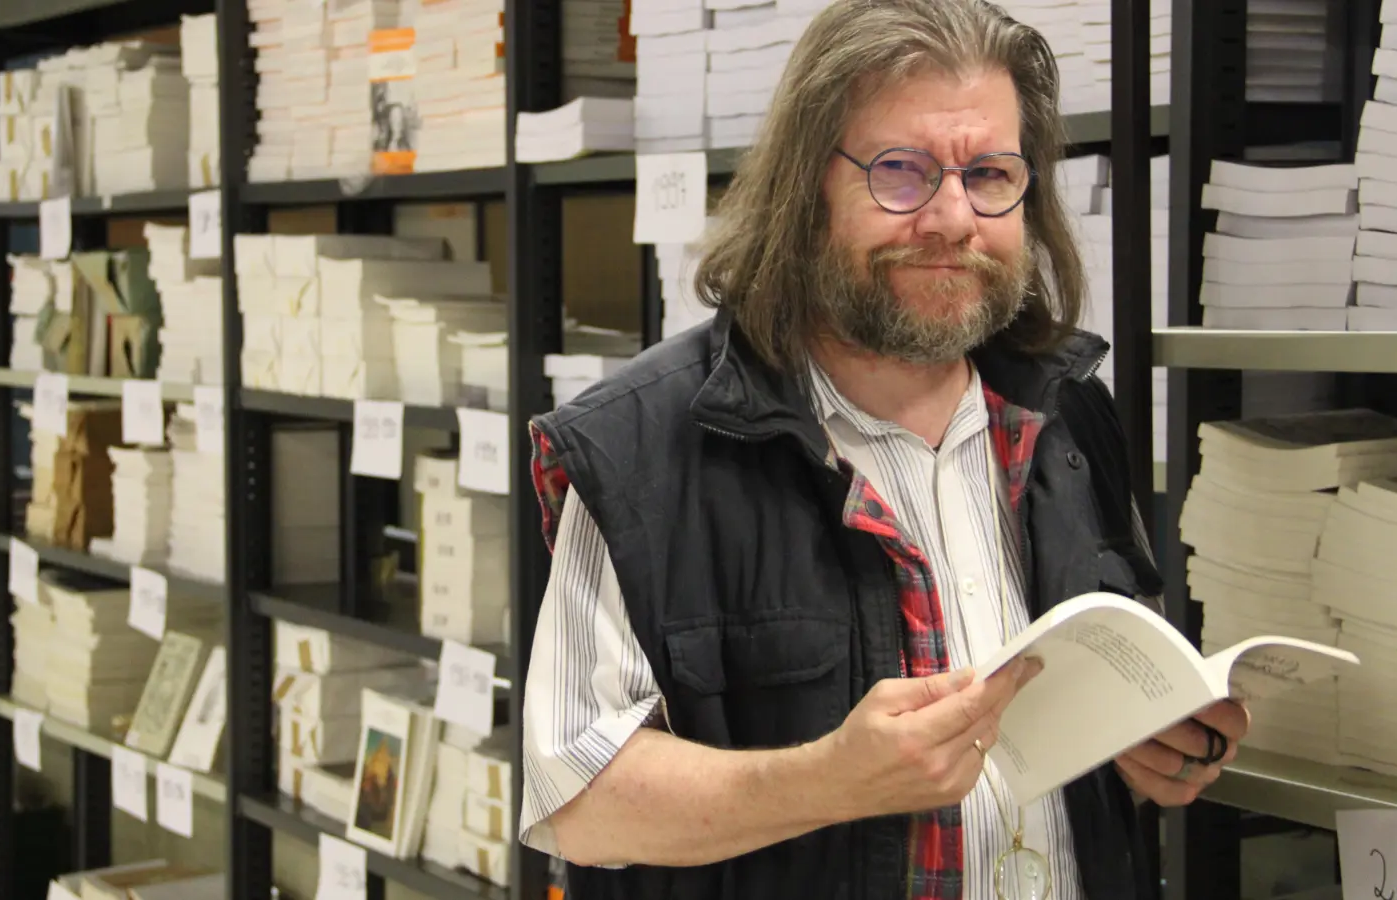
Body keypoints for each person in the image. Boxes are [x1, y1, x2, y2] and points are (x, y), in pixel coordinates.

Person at [517, 0, 1250, 897]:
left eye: (990, 174)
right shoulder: (639, 450)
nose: (952, 217)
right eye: (900, 172)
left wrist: (1147, 740)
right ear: (806, 189)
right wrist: (825, 780)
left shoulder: (1070, 417)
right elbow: (576, 797)